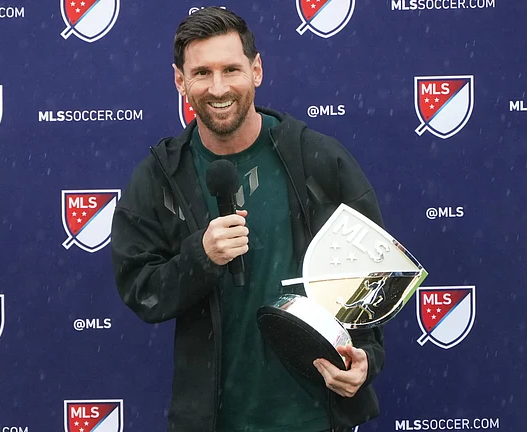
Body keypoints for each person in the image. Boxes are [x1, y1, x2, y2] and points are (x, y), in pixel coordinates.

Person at [110, 7, 385, 432]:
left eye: (231, 70)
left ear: (256, 70)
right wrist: (200, 257)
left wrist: (364, 357)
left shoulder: (318, 160)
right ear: (180, 81)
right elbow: (141, 290)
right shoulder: (157, 178)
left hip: (313, 417)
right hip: (213, 421)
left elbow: (370, 275)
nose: (218, 88)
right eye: (201, 73)